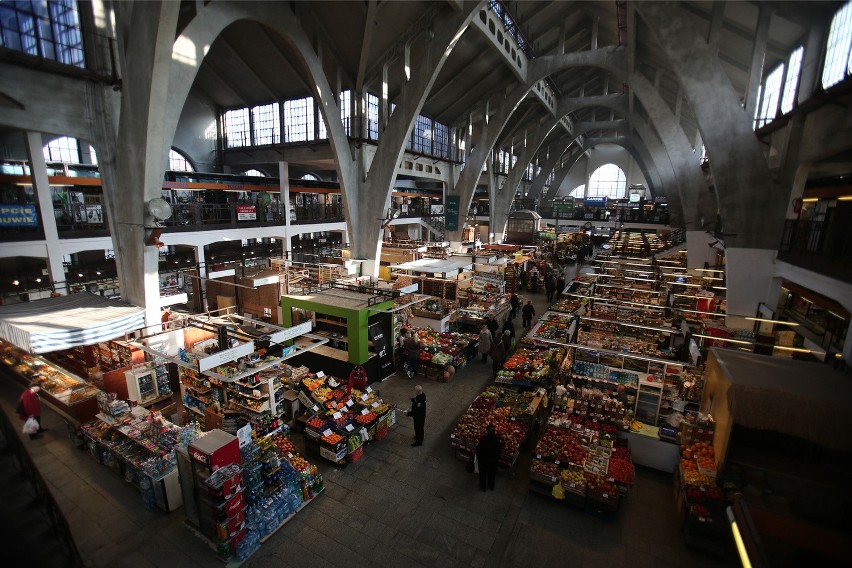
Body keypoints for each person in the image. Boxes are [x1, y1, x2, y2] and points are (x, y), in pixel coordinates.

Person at [475, 424, 501, 491]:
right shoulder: (497, 439)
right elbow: (499, 450)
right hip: (493, 461)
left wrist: (479, 457)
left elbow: (478, 449)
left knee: (483, 474)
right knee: (492, 474)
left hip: (484, 461)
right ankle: (491, 486)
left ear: (487, 431)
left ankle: (483, 486)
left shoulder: (484, 439)